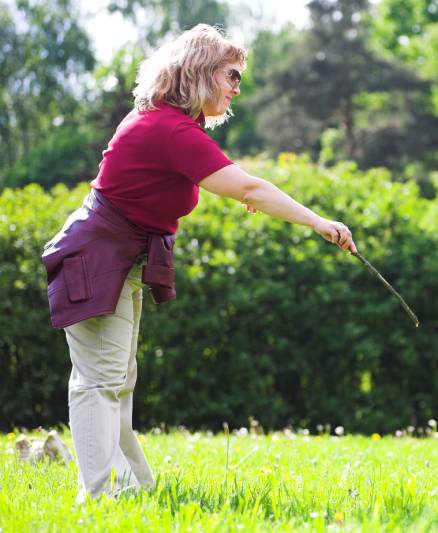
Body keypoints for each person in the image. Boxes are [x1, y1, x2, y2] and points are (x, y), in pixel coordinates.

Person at [41, 24, 358, 503]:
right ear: (199, 72)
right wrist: (319, 222)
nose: (236, 87)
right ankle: (101, 497)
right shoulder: (166, 127)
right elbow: (249, 187)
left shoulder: (172, 125)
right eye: (231, 75)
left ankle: (130, 489)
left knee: (118, 379)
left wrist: (251, 194)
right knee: (100, 382)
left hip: (119, 259)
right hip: (97, 256)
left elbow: (227, 185)